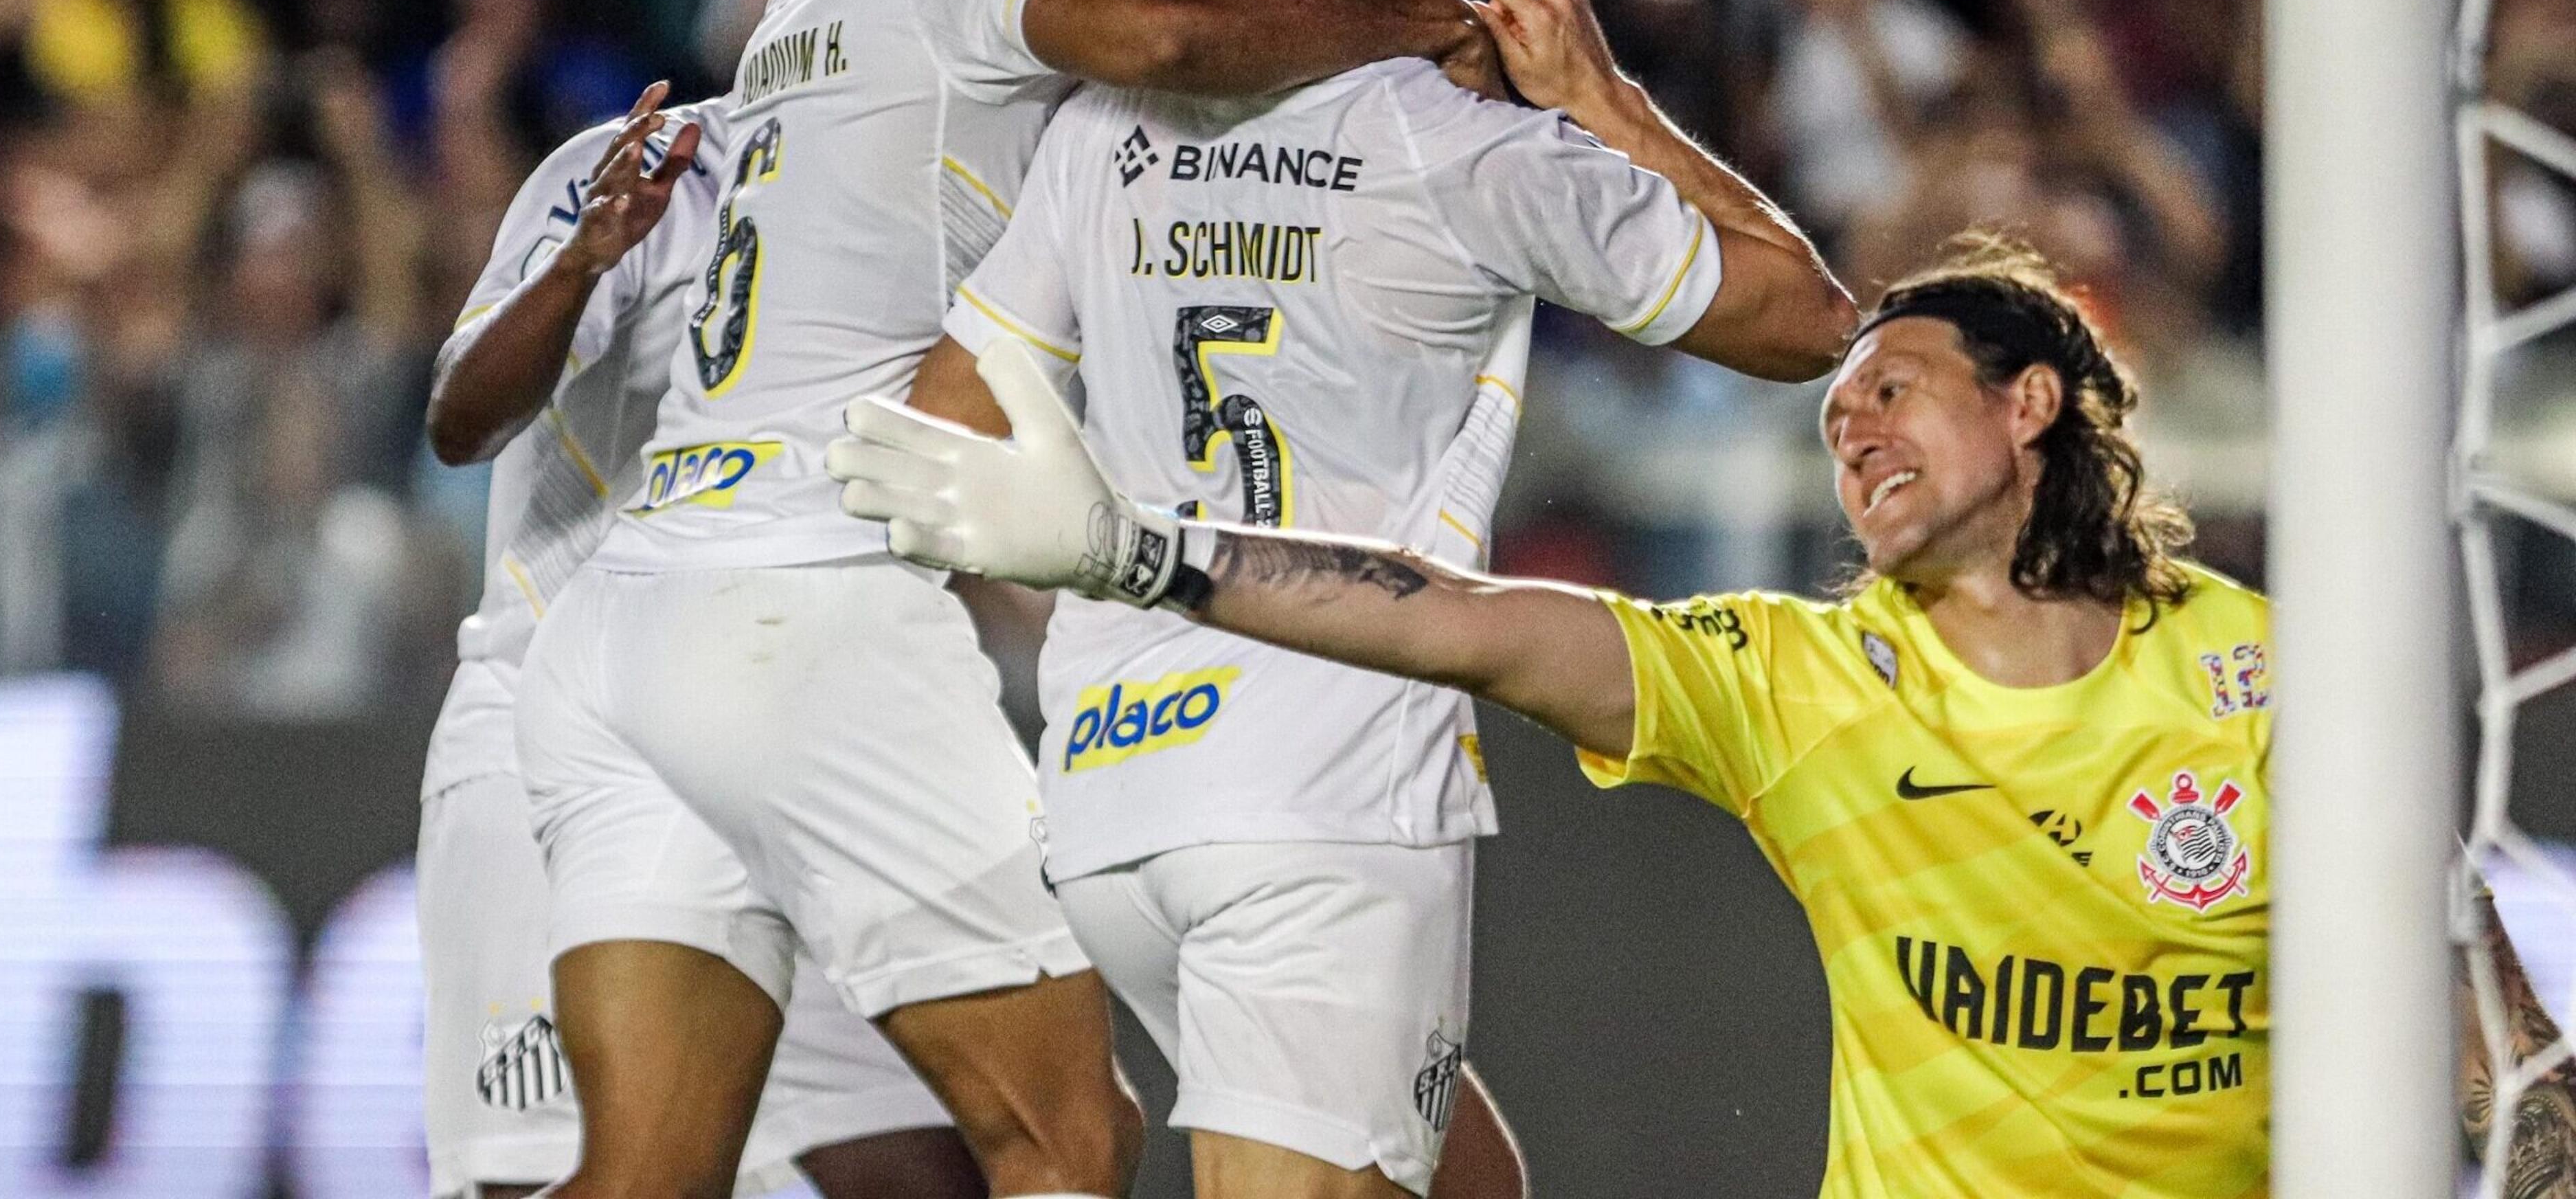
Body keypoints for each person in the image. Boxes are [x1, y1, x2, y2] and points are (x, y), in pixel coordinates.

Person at [827, 221, 2576, 1196]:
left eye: (1894, 390)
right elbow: (1468, 624)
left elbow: (2497, 1037)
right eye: (1833, 421)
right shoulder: (1797, 683)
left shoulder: (2268, 674)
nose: (1855, 432)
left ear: (2034, 400)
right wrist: (1137, 555)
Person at [515, 0, 1509, 1199]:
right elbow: (1158, 36)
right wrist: (1434, 20)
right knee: (1064, 1137)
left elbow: (1132, 72)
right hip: (803, 613)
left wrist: (1229, 32)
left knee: (644, 1180)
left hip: (632, 618)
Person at [899, 0, 1853, 1199]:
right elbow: (1814, 322)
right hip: (1323, 797)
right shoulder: (1483, 153)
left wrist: (1085, 578)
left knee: (1473, 1189)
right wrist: (1603, 101)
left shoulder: (1112, 122)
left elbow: (946, 426)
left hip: (1109, 795)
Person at [416, 0, 988, 1199]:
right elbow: (459, 417)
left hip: (773, 772)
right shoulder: (650, 170)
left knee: (924, 1179)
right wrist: (583, 263)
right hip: (551, 753)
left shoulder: (944, 214)